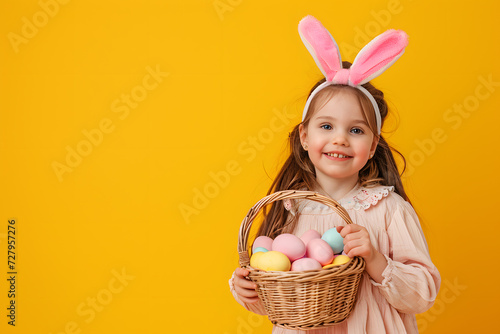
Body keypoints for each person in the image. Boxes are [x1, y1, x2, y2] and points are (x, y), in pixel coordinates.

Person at [229, 15, 440, 333]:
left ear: (372, 147)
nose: (340, 139)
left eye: (356, 130)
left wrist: (375, 259)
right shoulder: (290, 208)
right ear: (304, 136)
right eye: (326, 126)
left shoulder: (388, 209)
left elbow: (422, 295)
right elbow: (279, 298)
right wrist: (248, 289)